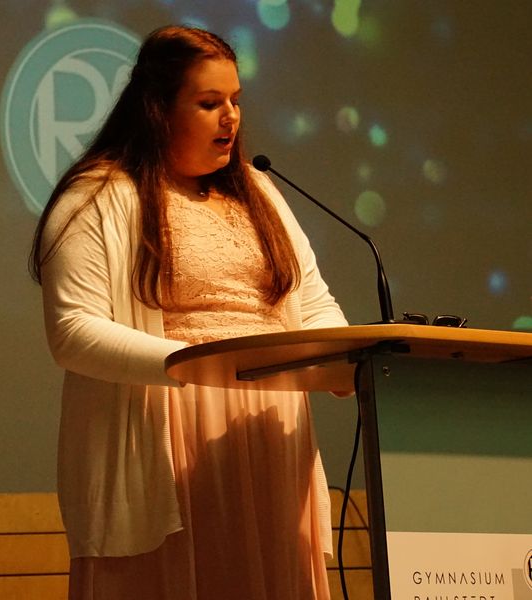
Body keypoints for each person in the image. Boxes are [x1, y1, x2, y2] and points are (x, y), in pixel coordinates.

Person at [31, 25, 348, 600]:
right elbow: (73, 331)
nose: (231, 118)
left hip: (272, 435)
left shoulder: (258, 191)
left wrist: (347, 362)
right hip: (171, 434)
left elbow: (314, 302)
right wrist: (203, 365)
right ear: (157, 109)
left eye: (235, 100)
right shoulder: (99, 196)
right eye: (208, 103)